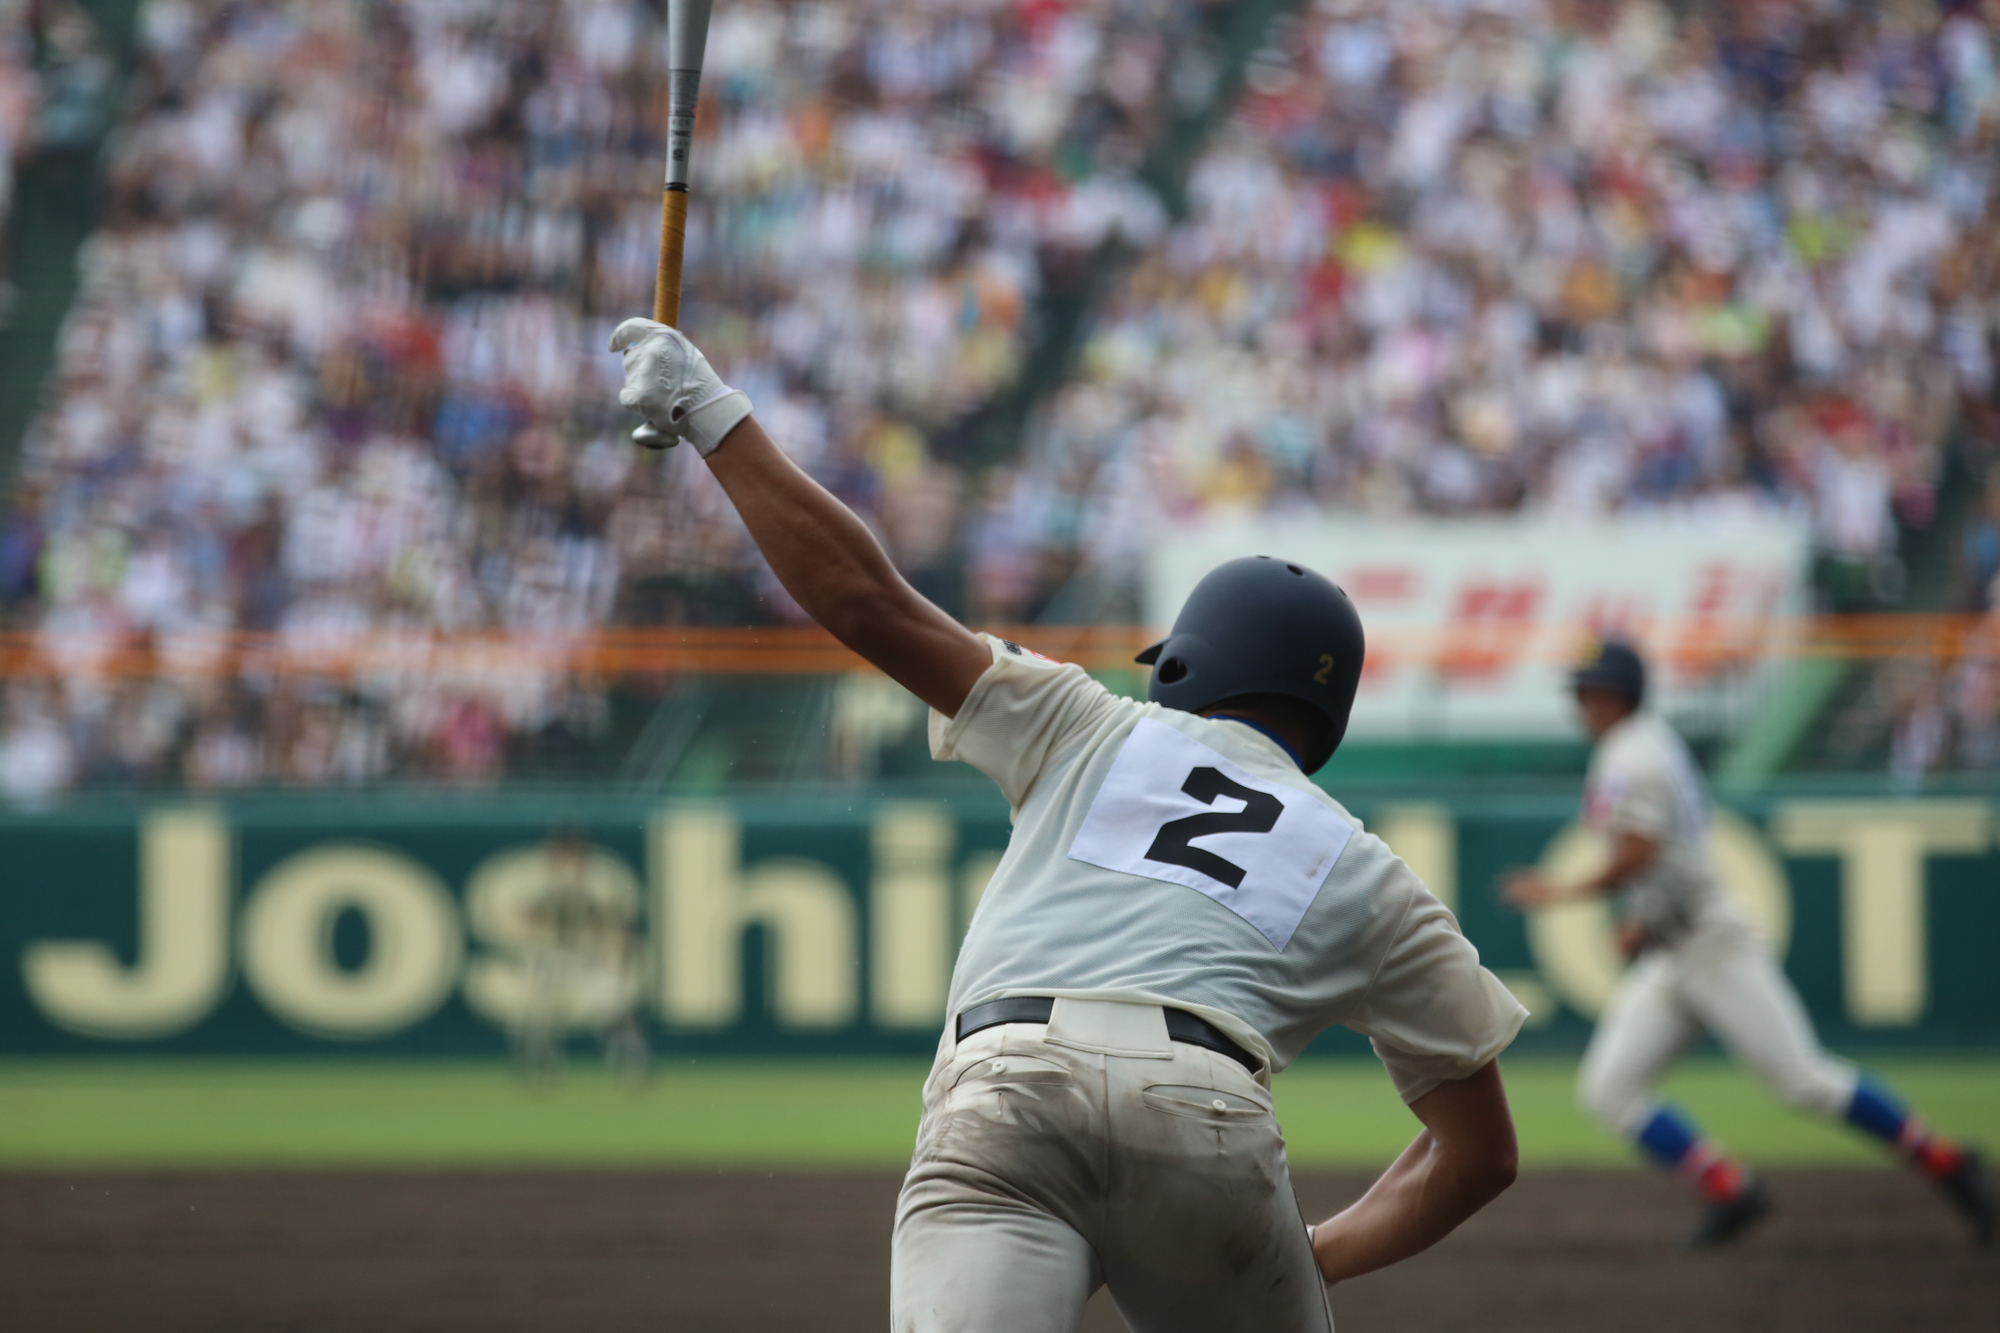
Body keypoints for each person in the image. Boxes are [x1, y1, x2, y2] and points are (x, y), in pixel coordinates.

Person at [611, 318, 1526, 1332]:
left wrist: (709, 413)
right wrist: (1292, 1260)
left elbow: (862, 601)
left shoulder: (1086, 722)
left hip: (1002, 1089)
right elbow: (1478, 1154)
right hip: (1205, 1114)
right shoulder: (1367, 869)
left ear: (1184, 663)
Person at [1505, 639, 1996, 1248]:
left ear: (1614, 695)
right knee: (1610, 1088)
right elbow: (1654, 858)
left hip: (1711, 941)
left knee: (1803, 1081)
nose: (1580, 701)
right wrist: (1641, 918)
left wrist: (1559, 892)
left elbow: (1638, 851)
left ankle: (1948, 1160)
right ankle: (1731, 1189)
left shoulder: (1634, 754)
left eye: (1588, 689)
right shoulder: (1635, 747)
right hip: (1671, 945)